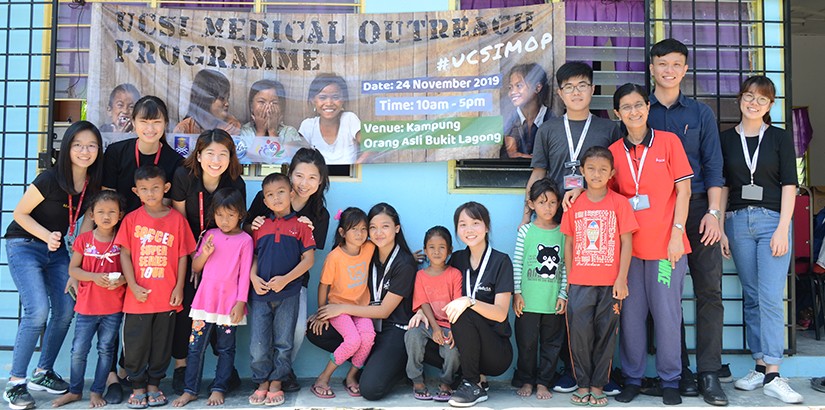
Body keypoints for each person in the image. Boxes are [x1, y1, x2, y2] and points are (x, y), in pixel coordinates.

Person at [599, 84, 693, 406]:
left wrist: (677, 234)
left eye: (639, 105)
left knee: (667, 315)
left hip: (667, 249)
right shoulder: (612, 153)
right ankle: (633, 377)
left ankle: (670, 379)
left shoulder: (670, 143)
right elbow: (606, 196)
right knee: (631, 316)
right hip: (628, 251)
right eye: (626, 107)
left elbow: (683, 191)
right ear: (617, 114)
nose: (634, 112)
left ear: (648, 107)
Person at [647, 38, 727, 405]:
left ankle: (710, 372)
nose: (669, 70)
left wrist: (715, 215)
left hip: (697, 211)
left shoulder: (700, 114)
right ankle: (679, 372)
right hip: (658, 217)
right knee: (667, 297)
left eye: (676, 64)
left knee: (709, 291)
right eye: (662, 63)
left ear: (685, 69)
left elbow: (714, 168)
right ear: (652, 68)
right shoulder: (640, 111)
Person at [3, 120, 103, 410]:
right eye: (78, 145)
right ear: (67, 147)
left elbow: (84, 231)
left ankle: (42, 372)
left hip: (57, 251)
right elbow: (19, 213)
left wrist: (74, 268)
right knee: (38, 311)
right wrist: (47, 236)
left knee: (66, 309)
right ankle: (15, 383)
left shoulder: (91, 186)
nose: (85, 151)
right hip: (24, 246)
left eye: (91, 145)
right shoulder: (48, 178)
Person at [719, 76, 802, 404]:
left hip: (771, 223)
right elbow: (723, 184)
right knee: (752, 296)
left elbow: (789, 185)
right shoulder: (727, 139)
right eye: (749, 96)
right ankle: (759, 364)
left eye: (762, 99)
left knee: (769, 296)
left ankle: (774, 372)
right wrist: (721, 225)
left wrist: (784, 228)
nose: (754, 103)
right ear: (740, 98)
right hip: (737, 222)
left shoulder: (780, 138)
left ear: (770, 105)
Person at [308, 203, 418, 401]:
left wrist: (339, 308)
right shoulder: (367, 249)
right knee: (316, 329)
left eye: (384, 226)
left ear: (397, 228)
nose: (377, 233)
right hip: (362, 316)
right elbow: (325, 284)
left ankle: (392, 367)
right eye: (373, 227)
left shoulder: (400, 261)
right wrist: (323, 311)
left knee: (371, 389)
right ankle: (367, 366)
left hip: (392, 327)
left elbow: (384, 311)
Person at [246, 147, 331, 392]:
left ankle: (281, 374)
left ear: (321, 181)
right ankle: (267, 377)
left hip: (294, 284)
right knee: (260, 336)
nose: (305, 183)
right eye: (299, 175)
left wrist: (308, 229)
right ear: (290, 174)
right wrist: (253, 223)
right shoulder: (270, 197)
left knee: (294, 331)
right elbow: (246, 230)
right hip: (261, 282)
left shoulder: (318, 214)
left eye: (313, 177)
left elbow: (310, 254)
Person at [170, 129, 246, 394]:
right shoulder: (184, 176)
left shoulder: (235, 182)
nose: (216, 160)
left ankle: (226, 374)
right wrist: (195, 257)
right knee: (187, 309)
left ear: (230, 157)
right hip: (189, 248)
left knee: (222, 312)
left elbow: (237, 225)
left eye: (223, 154)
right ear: (199, 155)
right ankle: (182, 370)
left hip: (221, 255)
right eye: (210, 153)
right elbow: (180, 221)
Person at [561, 146, 637, 407]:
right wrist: (570, 280)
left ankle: (597, 385)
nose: (596, 174)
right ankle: (582, 384)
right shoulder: (574, 204)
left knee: (606, 335)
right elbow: (568, 244)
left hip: (610, 284)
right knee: (580, 335)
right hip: (580, 283)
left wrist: (621, 279)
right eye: (591, 169)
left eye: (603, 169)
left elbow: (627, 243)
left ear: (612, 173)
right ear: (581, 171)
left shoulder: (619, 203)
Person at [115, 165, 197, 409]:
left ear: (166, 188)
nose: (150, 193)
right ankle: (138, 386)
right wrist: (132, 284)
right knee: (135, 344)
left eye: (155, 188)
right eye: (144, 189)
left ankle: (154, 385)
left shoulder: (177, 220)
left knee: (162, 344)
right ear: (135, 191)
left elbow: (183, 256)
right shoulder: (131, 220)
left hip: (167, 297)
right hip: (137, 297)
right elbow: (125, 254)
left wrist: (179, 288)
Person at [170, 188, 252, 407]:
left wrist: (240, 302)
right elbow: (195, 267)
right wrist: (204, 253)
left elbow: (245, 275)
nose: (224, 221)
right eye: (219, 215)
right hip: (204, 302)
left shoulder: (245, 240)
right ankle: (190, 390)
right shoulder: (210, 235)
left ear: (240, 215)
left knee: (225, 348)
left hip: (229, 304)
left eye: (230, 215)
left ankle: (219, 388)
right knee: (194, 347)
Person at [52, 191, 126, 408]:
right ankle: (75, 390)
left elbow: (129, 272)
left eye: (112, 212)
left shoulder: (122, 241)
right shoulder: (84, 240)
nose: (106, 216)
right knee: (79, 351)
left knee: (106, 349)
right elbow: (73, 269)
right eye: (101, 212)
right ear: (91, 215)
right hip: (86, 308)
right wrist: (93, 277)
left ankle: (97, 391)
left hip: (113, 308)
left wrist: (121, 280)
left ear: (120, 215)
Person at [523, 61, 620, 226]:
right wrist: (526, 217)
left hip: (598, 215)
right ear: (559, 93)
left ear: (593, 89)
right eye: (568, 87)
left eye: (582, 85)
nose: (576, 92)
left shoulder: (609, 129)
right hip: (555, 217)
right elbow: (538, 174)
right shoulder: (547, 130)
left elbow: (617, 176)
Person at [247, 173, 316, 406]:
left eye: (281, 192)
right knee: (258, 343)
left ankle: (277, 381)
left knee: (284, 341)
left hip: (289, 294)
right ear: (264, 201)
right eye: (269, 195)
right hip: (260, 294)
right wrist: (252, 277)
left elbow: (308, 260)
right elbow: (254, 256)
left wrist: (285, 280)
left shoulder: (301, 226)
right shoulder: (260, 226)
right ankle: (261, 382)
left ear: (291, 194)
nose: (276, 198)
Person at [443, 201, 514, 407]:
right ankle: (472, 378)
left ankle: (473, 384)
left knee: (463, 310)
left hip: (496, 351)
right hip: (464, 347)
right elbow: (438, 287)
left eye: (475, 223)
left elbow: (501, 314)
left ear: (487, 227)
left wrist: (469, 301)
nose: (469, 230)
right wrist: (421, 310)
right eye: (462, 224)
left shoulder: (501, 261)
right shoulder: (457, 259)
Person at [512, 178, 567, 400]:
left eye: (553, 202)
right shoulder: (525, 231)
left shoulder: (564, 232)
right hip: (527, 301)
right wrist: (517, 292)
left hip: (552, 301)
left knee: (551, 344)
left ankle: (544, 382)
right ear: (532, 204)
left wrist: (563, 293)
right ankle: (527, 379)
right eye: (542, 202)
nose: (548, 207)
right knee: (526, 344)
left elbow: (566, 266)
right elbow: (518, 262)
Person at [312, 207, 375, 400]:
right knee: (353, 340)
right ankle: (323, 378)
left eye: (364, 229)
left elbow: (389, 254)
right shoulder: (335, 257)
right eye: (354, 229)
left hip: (361, 307)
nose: (360, 234)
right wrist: (321, 312)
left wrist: (410, 259)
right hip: (338, 308)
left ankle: (351, 377)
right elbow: (323, 287)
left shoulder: (369, 248)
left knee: (368, 337)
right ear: (342, 232)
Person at [405, 226, 462, 402]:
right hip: (429, 323)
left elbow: (457, 304)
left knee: (453, 351)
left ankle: (446, 383)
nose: (436, 252)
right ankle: (417, 380)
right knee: (412, 334)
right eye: (431, 247)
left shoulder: (454, 274)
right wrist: (435, 328)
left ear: (450, 250)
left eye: (442, 247)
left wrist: (453, 329)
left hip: (449, 324)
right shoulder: (421, 275)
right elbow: (424, 303)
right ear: (425, 250)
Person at [103, 95, 183, 213]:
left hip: (155, 227)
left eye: (156, 122)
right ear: (134, 122)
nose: (150, 129)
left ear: (165, 124)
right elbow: (107, 198)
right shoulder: (115, 152)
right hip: (119, 225)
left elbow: (165, 205)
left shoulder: (175, 161)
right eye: (144, 121)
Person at [299, 73, 361, 165]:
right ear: (313, 100)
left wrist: (357, 166)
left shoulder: (350, 119)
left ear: (343, 99)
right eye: (322, 97)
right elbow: (300, 159)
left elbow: (371, 146)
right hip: (319, 179)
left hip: (349, 179)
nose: (329, 103)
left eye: (335, 97)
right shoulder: (308, 126)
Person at [502, 63, 553, 159]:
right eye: (510, 87)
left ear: (537, 88)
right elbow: (513, 154)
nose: (512, 92)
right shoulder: (511, 118)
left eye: (519, 86)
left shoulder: (551, 118)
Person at [240, 79, 307, 147]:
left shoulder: (289, 132)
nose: (268, 108)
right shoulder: (246, 131)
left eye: (274, 103)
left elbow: (282, 156)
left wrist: (272, 131)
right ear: (251, 106)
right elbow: (252, 156)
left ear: (281, 108)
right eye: (262, 102)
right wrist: (261, 131)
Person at [174, 69, 241, 136]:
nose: (227, 103)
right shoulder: (184, 128)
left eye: (228, 98)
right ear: (205, 99)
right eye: (222, 98)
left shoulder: (232, 125)